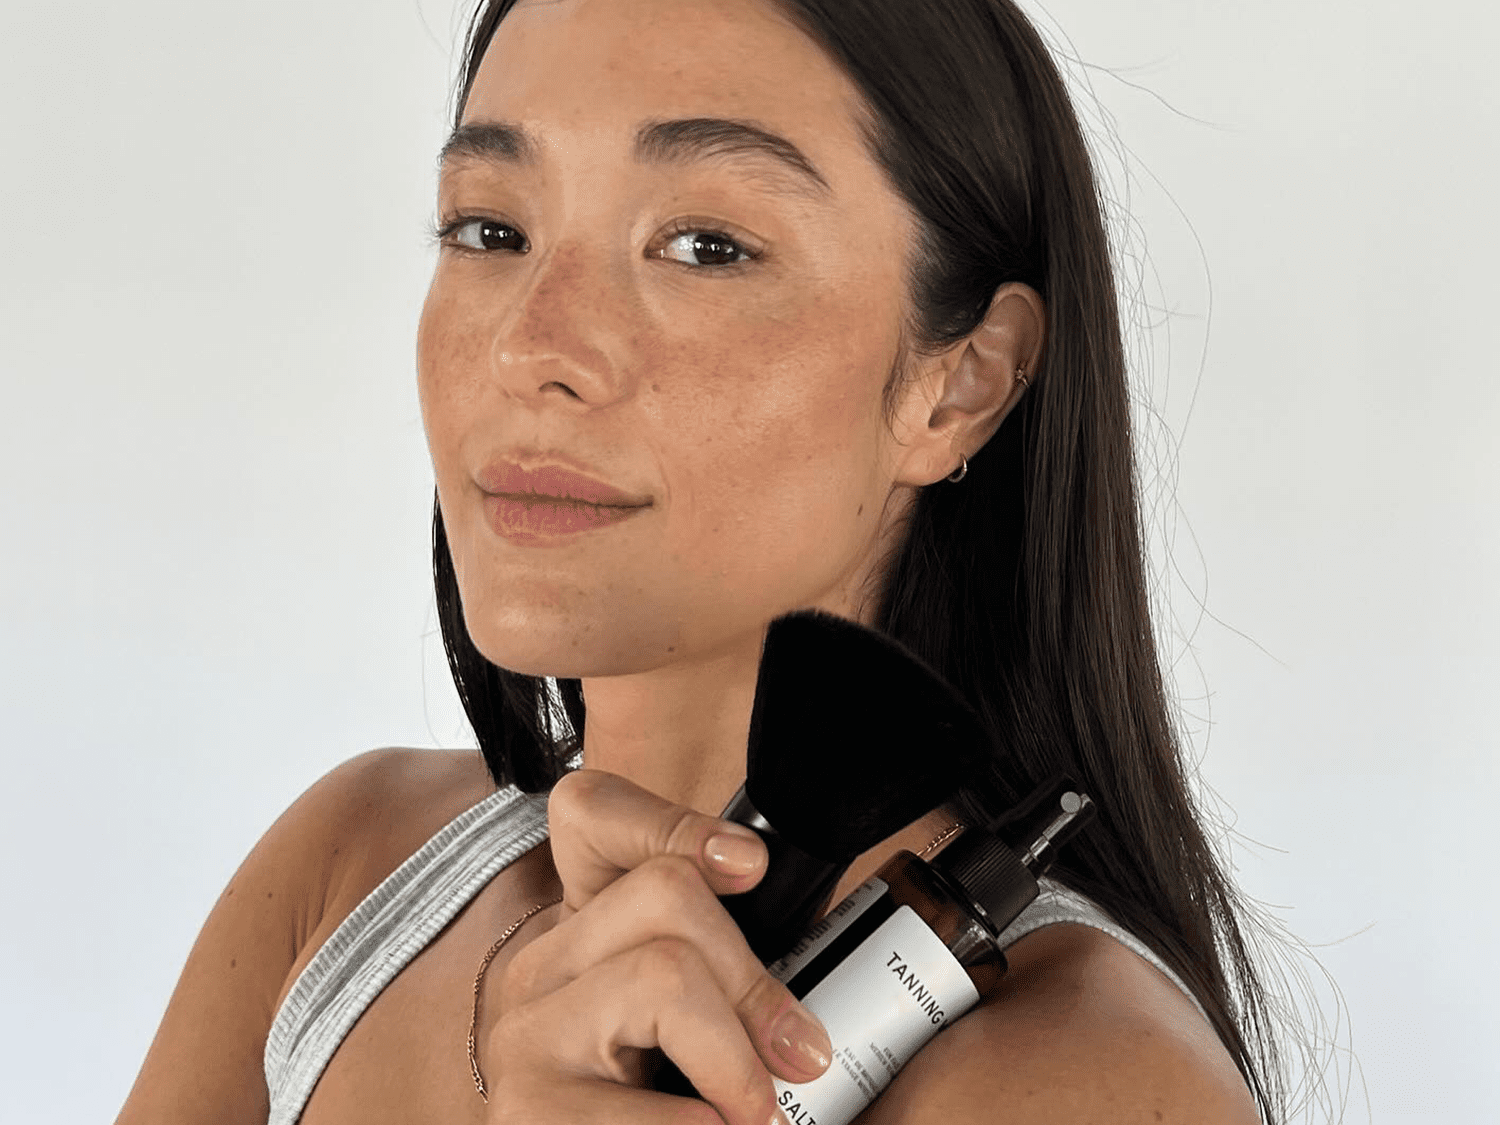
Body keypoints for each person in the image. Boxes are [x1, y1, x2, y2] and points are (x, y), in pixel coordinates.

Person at [115, 0, 1290, 1121]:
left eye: (705, 245)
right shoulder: (351, 866)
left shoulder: (1075, 1080)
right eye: (491, 230)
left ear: (962, 381)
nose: (532, 344)